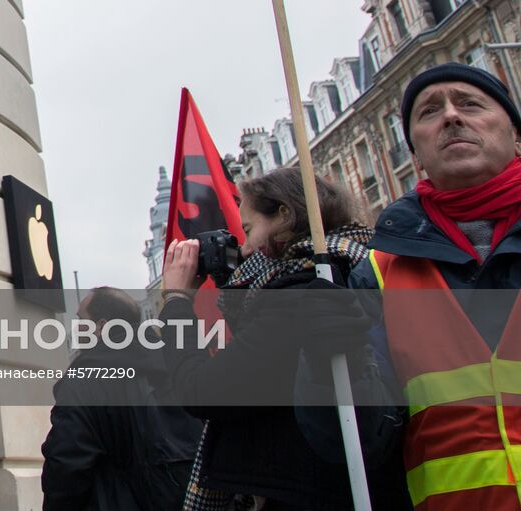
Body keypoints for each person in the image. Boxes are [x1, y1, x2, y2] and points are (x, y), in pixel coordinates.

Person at [160, 167, 407, 510]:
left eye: (248, 230)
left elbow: (202, 391)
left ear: (283, 215)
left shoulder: (303, 291)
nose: (244, 250)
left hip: (309, 494)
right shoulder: (358, 267)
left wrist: (176, 301)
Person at [337, 63, 521, 510]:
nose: (452, 116)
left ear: (517, 137)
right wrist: (325, 364)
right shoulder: (375, 276)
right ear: (416, 154)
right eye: (430, 111)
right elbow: (355, 442)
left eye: (470, 103)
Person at [41, 286, 202, 510]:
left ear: (101, 326)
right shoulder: (176, 364)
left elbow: (66, 463)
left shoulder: (84, 379)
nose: (75, 330)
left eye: (80, 321)